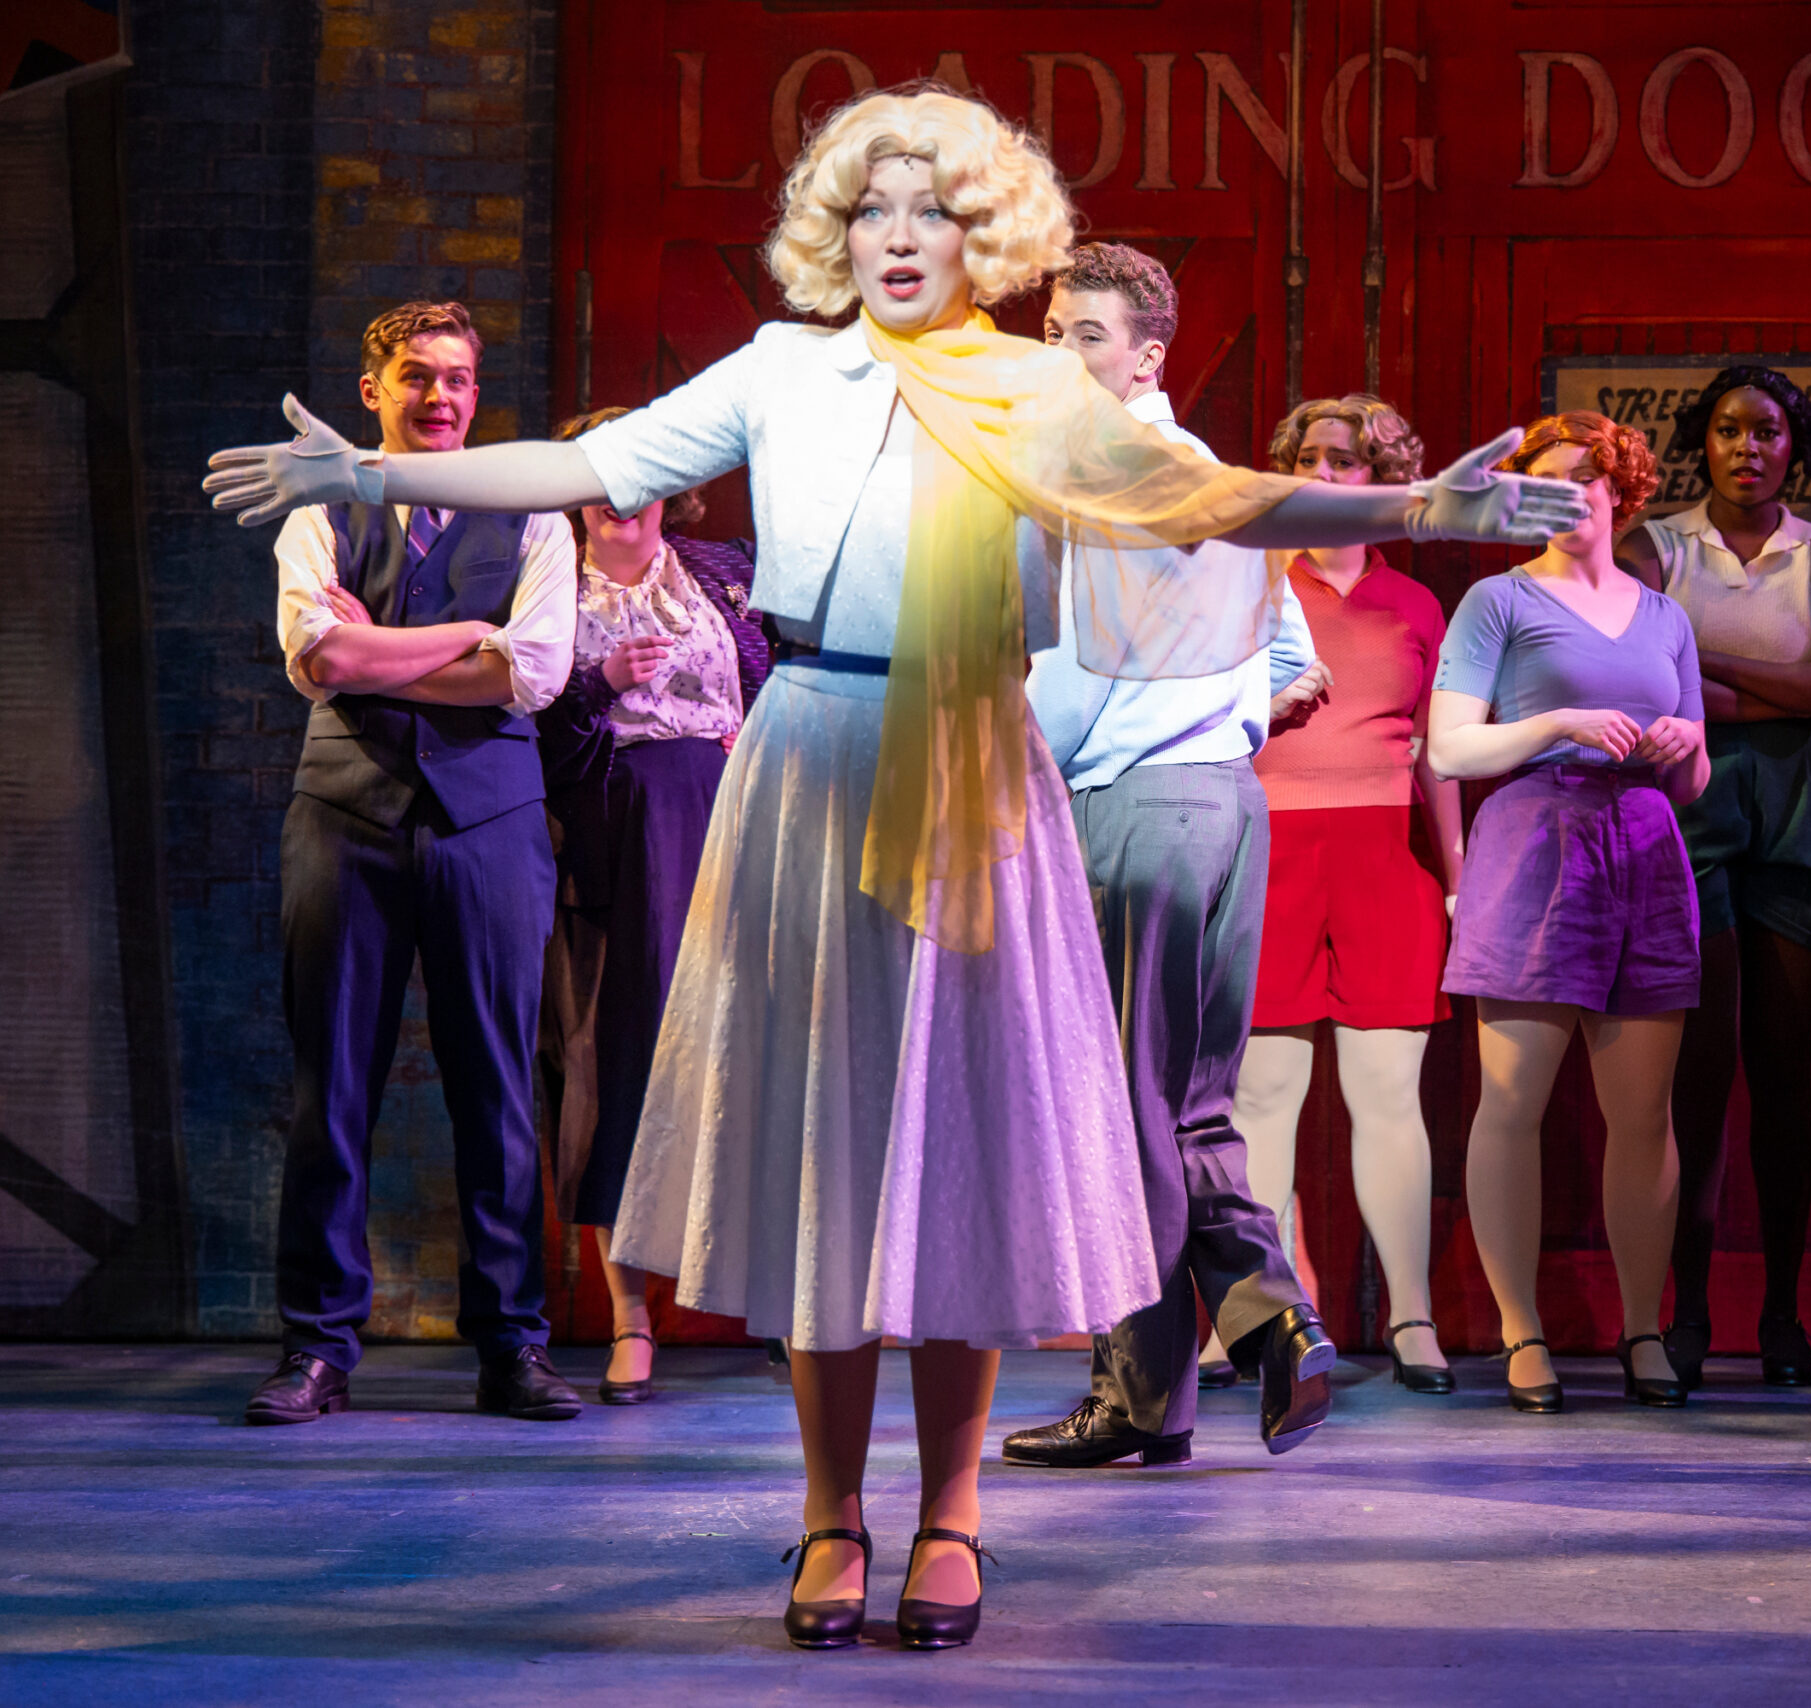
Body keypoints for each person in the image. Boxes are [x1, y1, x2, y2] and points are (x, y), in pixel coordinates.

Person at [202, 87, 1583, 1650]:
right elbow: (581, 470)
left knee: (963, 1155)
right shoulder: (783, 371)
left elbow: (1211, 499)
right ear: (833, 229)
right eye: (872, 209)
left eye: (932, 210)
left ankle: (950, 1520)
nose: (901, 236)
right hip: (809, 753)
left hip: (975, 764)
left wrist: (1416, 507)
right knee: (829, 1159)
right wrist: (372, 482)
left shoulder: (1026, 386)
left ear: (983, 232)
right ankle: (827, 1518)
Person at [1001, 241, 1337, 1468]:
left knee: (1121, 1110)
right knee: (1180, 1106)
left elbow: (1073, 683)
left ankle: (1255, 1325)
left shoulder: (1110, 476)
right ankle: (1174, 1386)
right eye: (1048, 330)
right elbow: (1298, 654)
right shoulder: (1211, 474)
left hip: (1127, 808)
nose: (1059, 354)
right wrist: (1228, 716)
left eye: (1085, 335)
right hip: (1218, 806)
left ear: (1148, 356)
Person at [234, 300, 581, 1429]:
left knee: (499, 1089)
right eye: (419, 377)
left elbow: (530, 672)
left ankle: (512, 1348)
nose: (442, 398)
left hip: (491, 823)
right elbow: (317, 655)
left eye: (460, 380)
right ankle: (320, 1348)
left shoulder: (533, 514)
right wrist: (456, 646)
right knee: (330, 1088)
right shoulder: (318, 509)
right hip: (346, 815)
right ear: (372, 387)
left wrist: (382, 656)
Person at [1429, 411, 1711, 1413]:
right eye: (1540, 483)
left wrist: (1682, 743)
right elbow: (1450, 750)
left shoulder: (1662, 614)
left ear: (1620, 490)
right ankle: (1520, 1331)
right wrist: (1555, 720)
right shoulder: (1496, 602)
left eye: (1582, 479)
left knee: (1643, 1113)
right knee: (1513, 1103)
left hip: (1642, 846)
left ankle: (1643, 1326)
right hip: (1532, 843)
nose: (1563, 496)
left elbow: (1695, 782)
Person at [1622, 366, 1811, 1389]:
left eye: (1766, 430)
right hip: (1690, 800)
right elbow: (1646, 684)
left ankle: (1779, 1310)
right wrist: (1773, 690)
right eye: (1727, 429)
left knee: (1781, 1064)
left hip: (1803, 802)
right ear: (1703, 442)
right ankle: (1684, 1312)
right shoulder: (1656, 546)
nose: (1746, 446)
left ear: (1794, 445)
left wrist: (1713, 679)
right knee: (1697, 1069)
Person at [1225, 394, 1463, 1394]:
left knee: (1386, 1096)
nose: (1327, 474)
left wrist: (1459, 877)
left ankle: (1411, 1316)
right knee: (1261, 1100)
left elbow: (1436, 758)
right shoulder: (1246, 587)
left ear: (1381, 480)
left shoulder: (1414, 605)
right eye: (1311, 457)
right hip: (1270, 847)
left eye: (1349, 460)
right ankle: (1260, 1318)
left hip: (1384, 858)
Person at [535, 406, 772, 1404]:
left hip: (736, 825)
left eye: (641, 472)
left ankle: (783, 1304)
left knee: (758, 1059)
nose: (620, 493)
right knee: (621, 1063)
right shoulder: (545, 579)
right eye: (598, 472)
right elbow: (515, 719)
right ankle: (632, 1319)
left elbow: (786, 680)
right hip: (615, 839)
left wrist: (757, 745)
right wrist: (593, 683)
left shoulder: (724, 571)